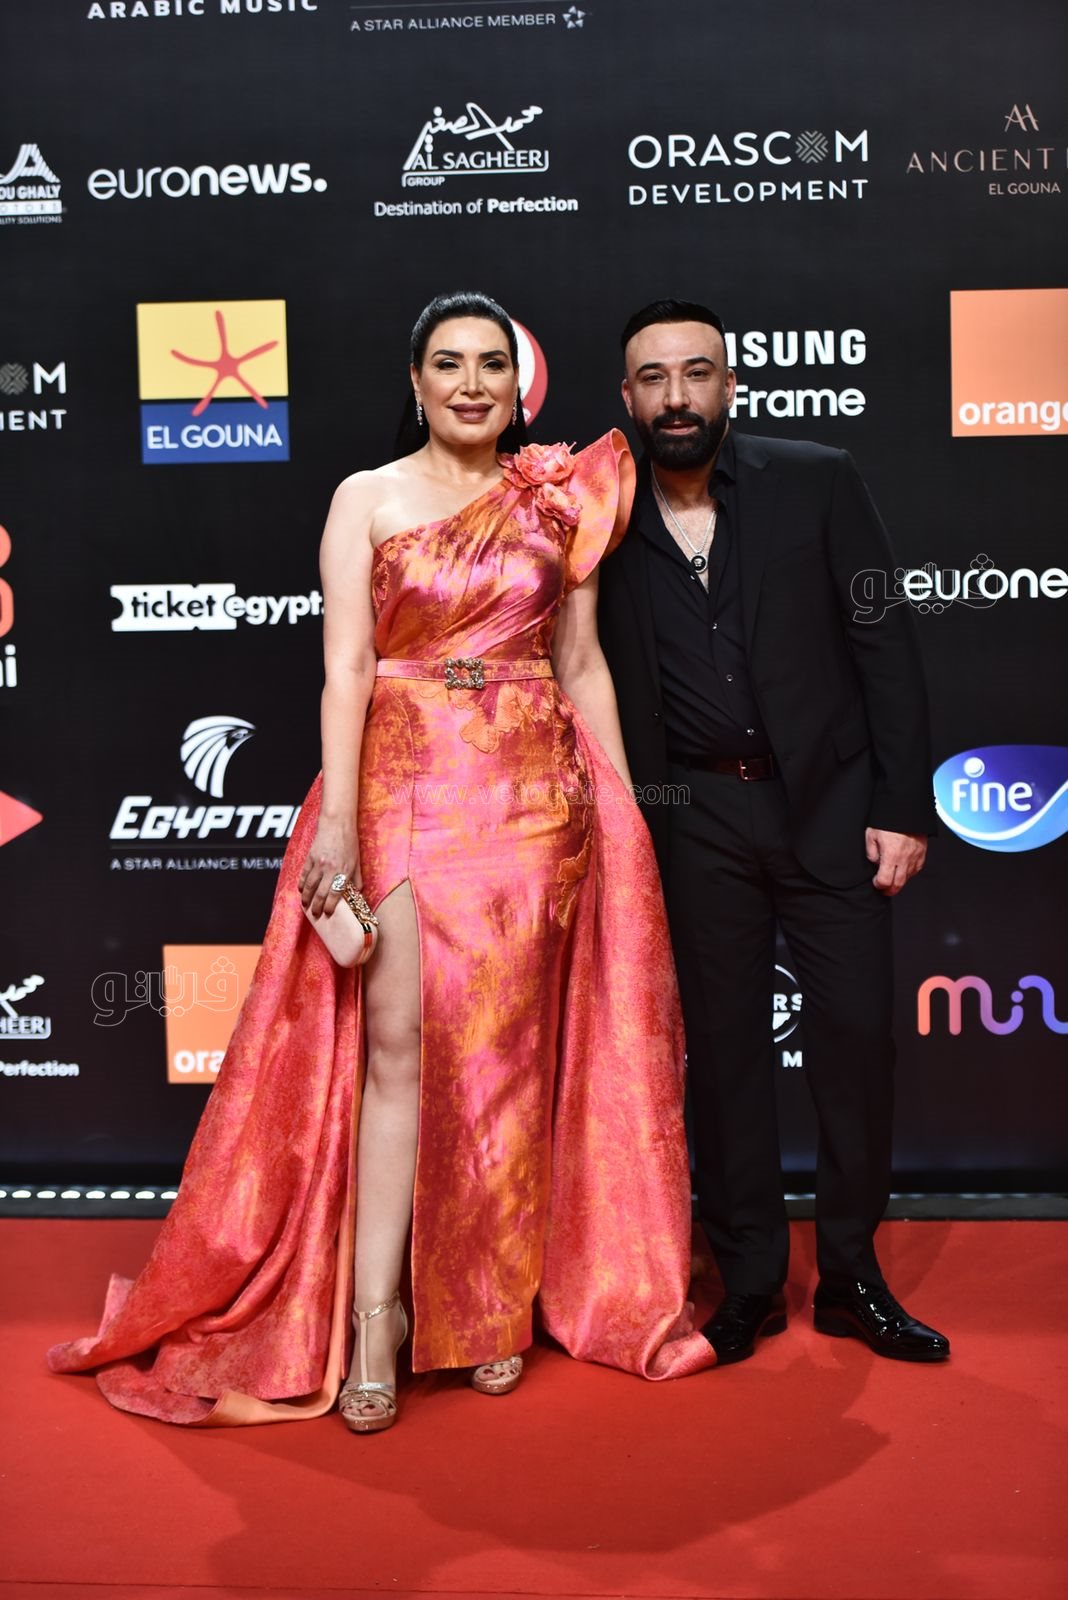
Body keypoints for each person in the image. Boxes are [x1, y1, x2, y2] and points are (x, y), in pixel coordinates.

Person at [48, 291, 716, 1430]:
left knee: (512, 1062)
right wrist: (341, 826)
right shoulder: (367, 496)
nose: (472, 384)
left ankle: (491, 1309)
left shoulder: (560, 496)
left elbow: (582, 664)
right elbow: (347, 671)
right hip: (407, 789)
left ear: (518, 384)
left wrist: (621, 812)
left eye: (492, 364)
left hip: (535, 802)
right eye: (449, 363)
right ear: (415, 381)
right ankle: (376, 1320)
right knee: (399, 1053)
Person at [597, 298, 950, 1367]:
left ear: (730, 385)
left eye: (696, 373)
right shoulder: (600, 513)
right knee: (724, 1058)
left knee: (857, 1039)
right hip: (691, 818)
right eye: (654, 379)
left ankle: (850, 1276)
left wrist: (901, 805)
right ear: (627, 399)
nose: (677, 398)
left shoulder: (817, 480)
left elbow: (886, 646)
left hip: (831, 810)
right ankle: (747, 1277)